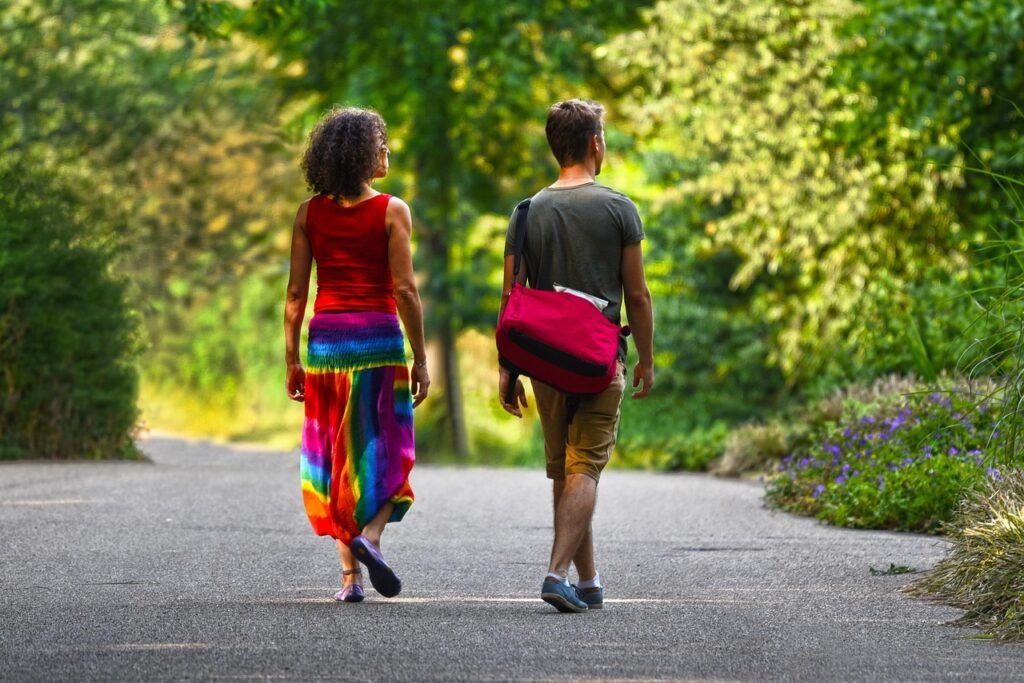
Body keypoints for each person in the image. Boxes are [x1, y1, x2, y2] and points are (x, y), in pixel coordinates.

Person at [498, 99, 655, 613]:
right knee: (585, 466)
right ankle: (556, 572)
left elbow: (511, 297)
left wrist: (508, 368)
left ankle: (587, 580)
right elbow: (639, 295)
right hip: (598, 357)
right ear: (595, 143)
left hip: (545, 364)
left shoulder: (527, 211)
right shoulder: (618, 208)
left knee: (566, 470)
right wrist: (647, 359)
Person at [283, 106, 429, 603]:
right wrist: (421, 359)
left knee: (334, 456)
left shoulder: (308, 214)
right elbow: (405, 290)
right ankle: (371, 537)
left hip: (326, 347)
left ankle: (350, 579)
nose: (387, 151)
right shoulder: (392, 210)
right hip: (380, 346)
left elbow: (296, 296)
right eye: (381, 144)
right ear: (365, 155)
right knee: (388, 450)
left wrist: (291, 359)